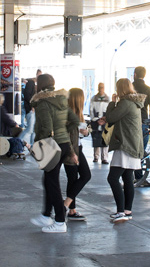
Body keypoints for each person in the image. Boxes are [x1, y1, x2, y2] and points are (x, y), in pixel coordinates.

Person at [28, 73, 71, 233]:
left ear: (40, 86)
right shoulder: (62, 99)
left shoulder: (43, 102)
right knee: (49, 179)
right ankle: (46, 215)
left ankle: (60, 221)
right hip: (64, 143)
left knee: (52, 182)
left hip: (52, 145)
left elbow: (45, 127)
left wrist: (38, 146)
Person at [105, 78, 145, 224]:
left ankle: (121, 211)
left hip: (125, 145)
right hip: (133, 144)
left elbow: (111, 118)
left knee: (112, 178)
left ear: (120, 89)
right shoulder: (135, 103)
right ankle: (127, 211)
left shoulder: (125, 103)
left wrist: (112, 102)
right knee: (127, 178)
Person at [63, 88, 92, 222]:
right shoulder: (69, 116)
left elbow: (77, 134)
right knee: (84, 175)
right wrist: (73, 153)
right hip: (72, 150)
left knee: (74, 178)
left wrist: (85, 132)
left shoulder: (75, 114)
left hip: (76, 148)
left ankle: (71, 209)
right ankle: (66, 205)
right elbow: (66, 136)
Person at [132, 67, 150, 187]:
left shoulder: (130, 88)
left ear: (135, 75)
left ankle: (134, 176)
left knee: (132, 149)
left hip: (131, 123)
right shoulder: (148, 90)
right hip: (143, 122)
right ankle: (139, 177)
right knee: (141, 151)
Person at [89, 83, 110, 163]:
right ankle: (96, 157)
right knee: (96, 139)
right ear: (98, 88)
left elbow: (109, 110)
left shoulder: (107, 99)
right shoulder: (94, 98)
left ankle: (104, 158)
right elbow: (91, 110)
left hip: (104, 122)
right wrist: (96, 119)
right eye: (100, 87)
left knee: (104, 139)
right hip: (96, 121)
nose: (101, 89)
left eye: (102, 87)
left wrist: (105, 120)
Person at [20, 70, 40, 144]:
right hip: (31, 109)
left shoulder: (33, 84)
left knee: (33, 129)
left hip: (32, 109)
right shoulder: (31, 83)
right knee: (30, 129)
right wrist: (32, 105)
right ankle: (18, 141)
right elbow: (27, 95)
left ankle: (33, 146)